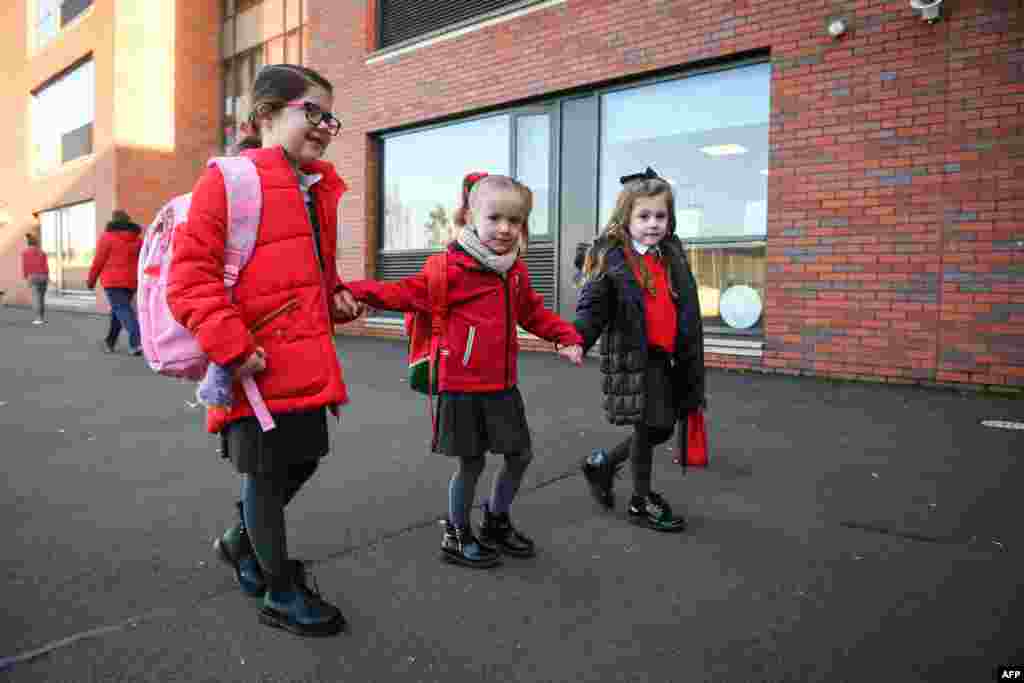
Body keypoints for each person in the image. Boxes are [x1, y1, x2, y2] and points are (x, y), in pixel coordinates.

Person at [167, 64, 363, 637]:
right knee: (266, 476)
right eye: (313, 111)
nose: (326, 126)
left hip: (303, 356)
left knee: (302, 460)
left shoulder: (315, 188)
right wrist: (230, 345)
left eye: (332, 116)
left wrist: (336, 297)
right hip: (252, 363)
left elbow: (306, 274)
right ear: (265, 115)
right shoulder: (230, 180)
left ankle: (237, 542)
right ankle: (280, 591)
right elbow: (190, 277)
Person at [344, 173, 584, 569]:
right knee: (470, 463)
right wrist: (351, 290)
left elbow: (532, 311)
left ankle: (496, 520)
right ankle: (456, 533)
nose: (505, 229)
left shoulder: (515, 269)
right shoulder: (450, 270)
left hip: (502, 385)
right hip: (461, 386)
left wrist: (565, 336)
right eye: (495, 218)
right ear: (471, 216)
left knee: (519, 455)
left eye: (515, 221)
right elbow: (403, 292)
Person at [574, 167, 705, 532]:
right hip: (636, 355)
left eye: (660, 216)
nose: (653, 224)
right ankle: (640, 500)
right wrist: (577, 339)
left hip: (667, 356)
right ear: (626, 218)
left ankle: (602, 463)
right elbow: (593, 306)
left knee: (660, 428)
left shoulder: (670, 253)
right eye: (644, 216)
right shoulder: (614, 259)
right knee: (652, 425)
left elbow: (683, 303)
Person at [86, 210, 144, 354]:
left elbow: (99, 261)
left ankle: (136, 343)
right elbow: (143, 261)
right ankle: (109, 342)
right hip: (131, 282)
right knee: (118, 311)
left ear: (114, 221)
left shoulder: (107, 237)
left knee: (123, 310)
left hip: (113, 282)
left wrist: (91, 280)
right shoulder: (138, 240)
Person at [21, 233, 50, 325]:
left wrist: (26, 276)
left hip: (32, 276)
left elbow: (25, 266)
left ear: (28, 243)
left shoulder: (25, 253)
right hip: (43, 276)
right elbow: (46, 266)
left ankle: (38, 319)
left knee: (35, 298)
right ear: (36, 243)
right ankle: (41, 318)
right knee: (41, 298)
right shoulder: (42, 252)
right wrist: (47, 277)